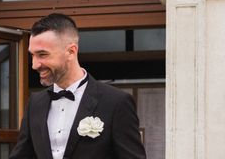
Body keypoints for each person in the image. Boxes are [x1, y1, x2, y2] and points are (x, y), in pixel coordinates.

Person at [9, 13, 146, 159]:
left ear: (71, 51)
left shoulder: (116, 102)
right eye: (32, 55)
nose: (35, 65)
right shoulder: (35, 103)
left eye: (42, 54)